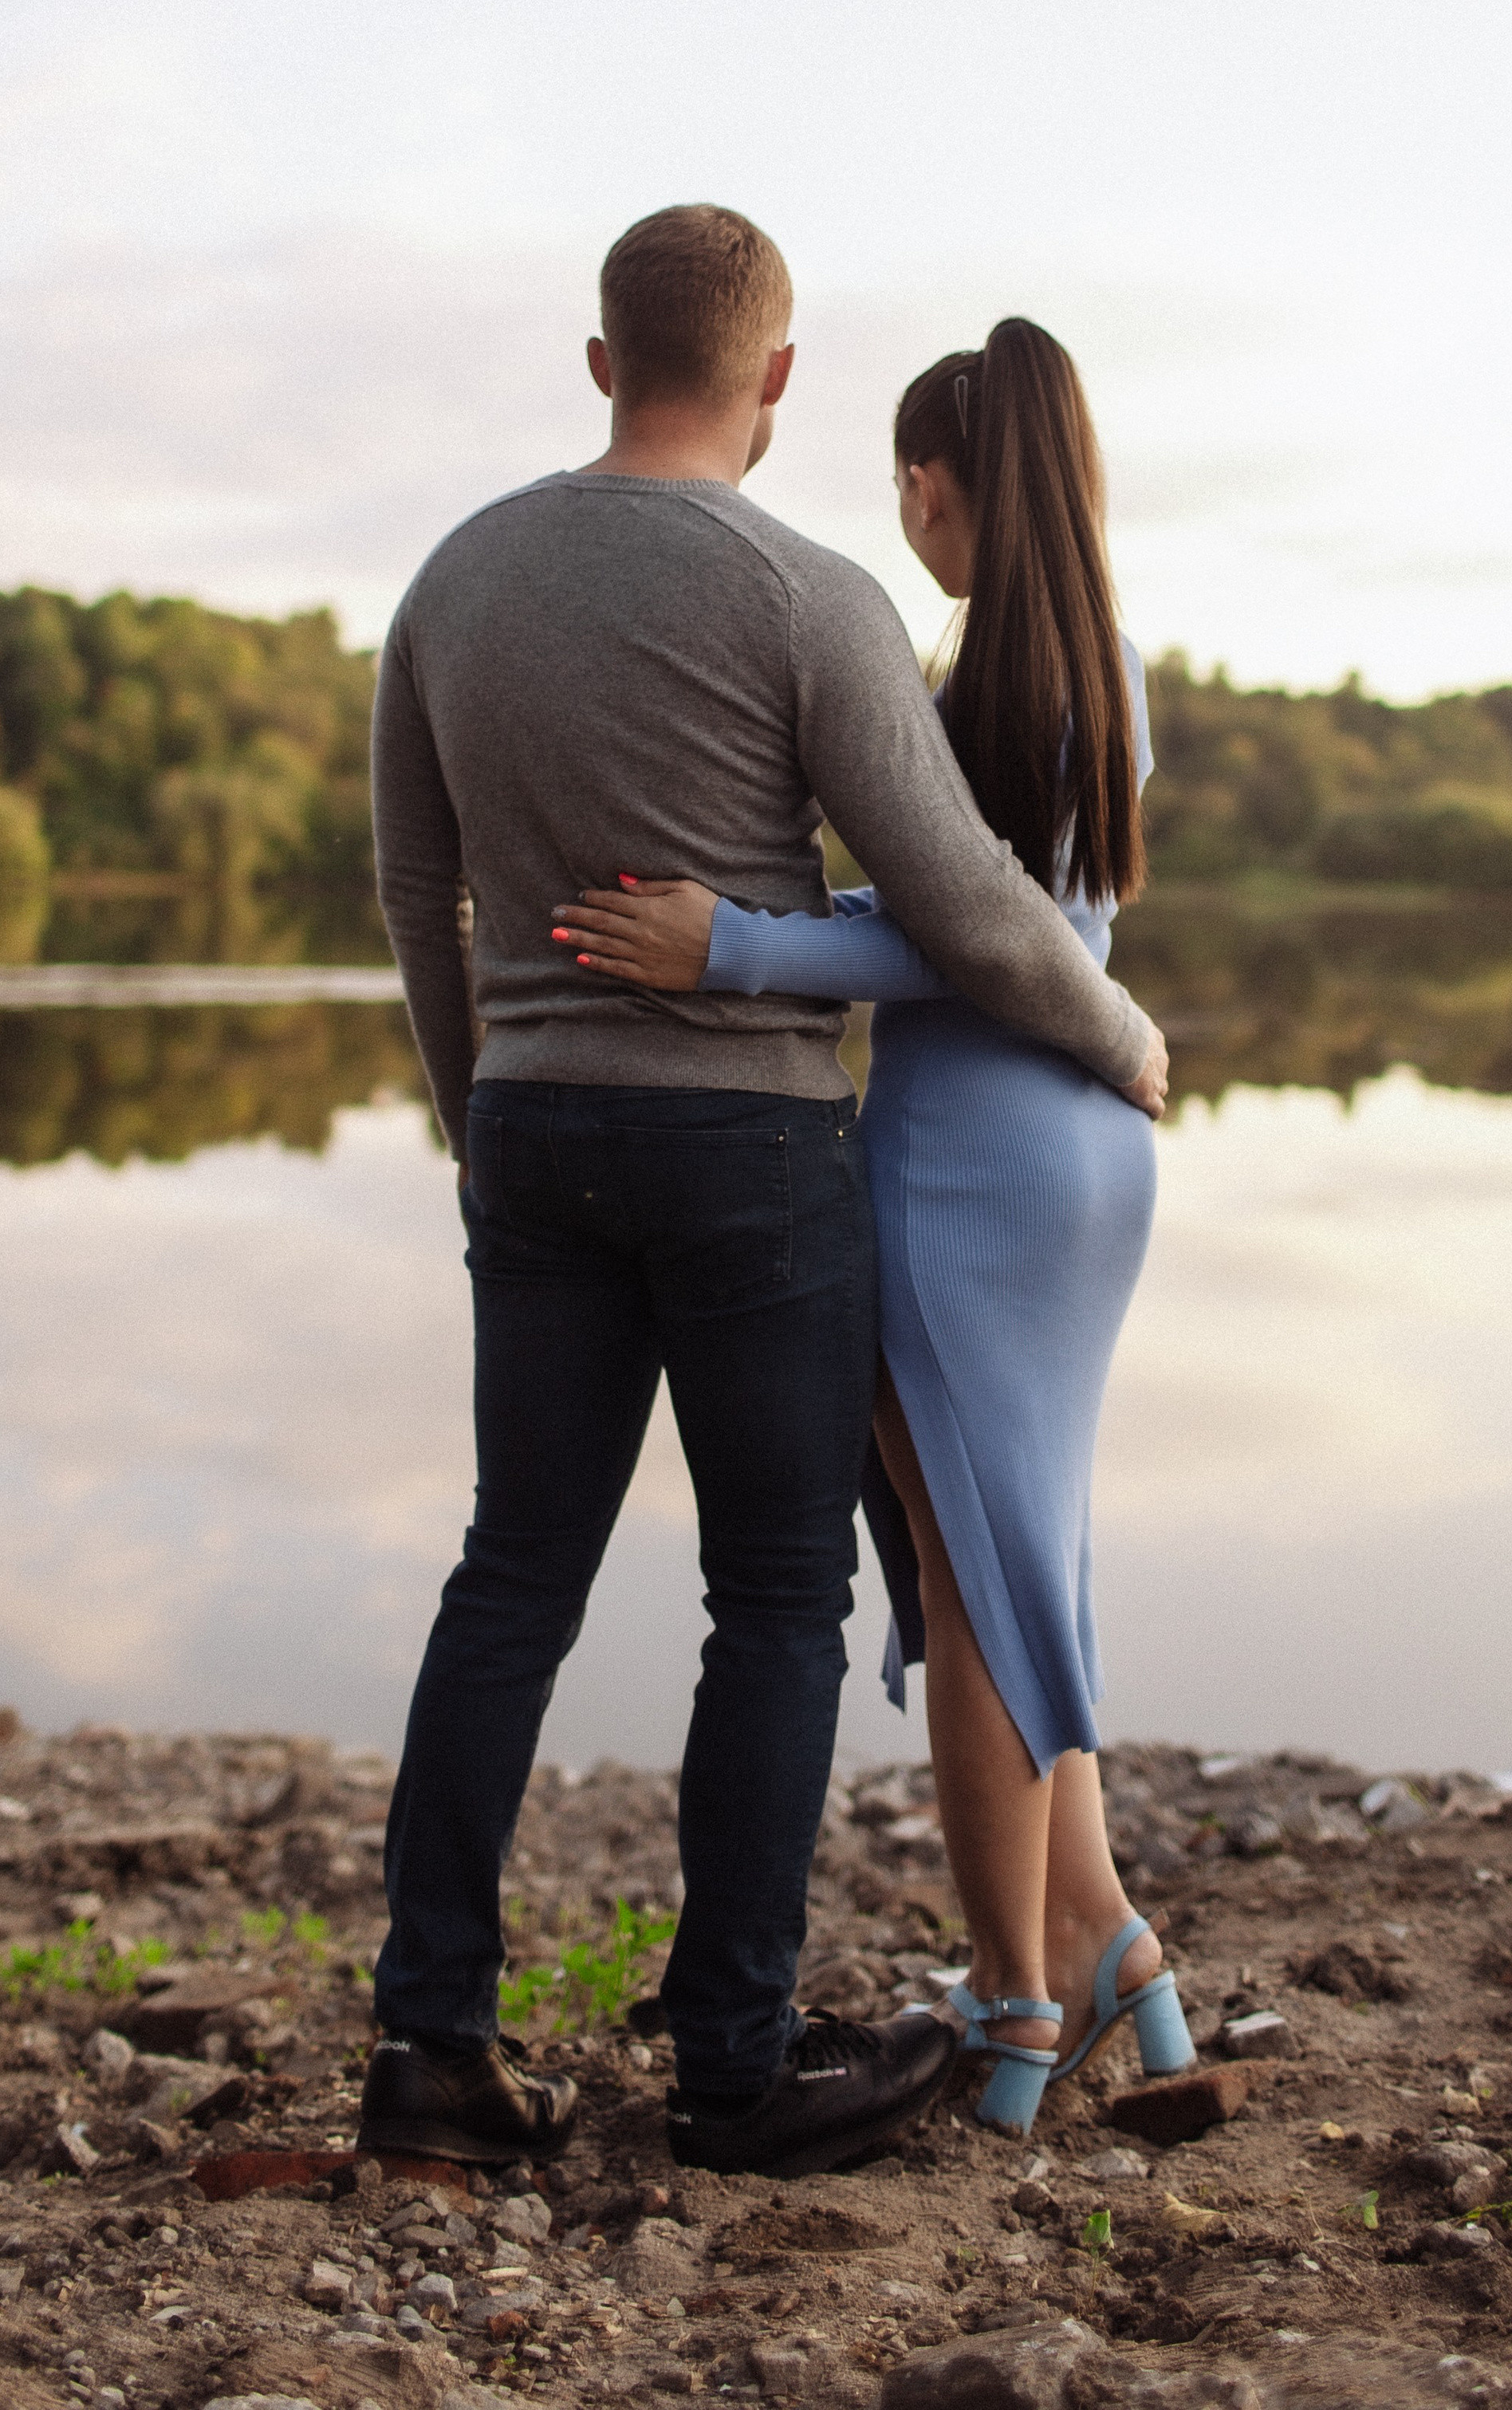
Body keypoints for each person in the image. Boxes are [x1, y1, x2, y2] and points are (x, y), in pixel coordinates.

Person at [361, 211, 1168, 2180]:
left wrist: (489, 1116)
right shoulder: (812, 598)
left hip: (541, 1128)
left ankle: (429, 2049)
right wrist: (1117, 1034)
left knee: (509, 1579)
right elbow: (974, 903)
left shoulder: (449, 581)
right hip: (741, 1149)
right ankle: (728, 2063)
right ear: (781, 381)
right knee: (779, 1595)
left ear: (596, 358)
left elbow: (416, 895)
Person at [556, 317, 1195, 2136]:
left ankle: (1010, 2010)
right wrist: (801, 904)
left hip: (966, 1166)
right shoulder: (1106, 669)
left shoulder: (974, 674)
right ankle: (1113, 1957)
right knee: (1015, 1577)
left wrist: (734, 944)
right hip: (1081, 1163)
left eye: (901, 487)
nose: (899, 516)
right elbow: (1011, 920)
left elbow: (971, 943)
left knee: (973, 1604)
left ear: (934, 485)